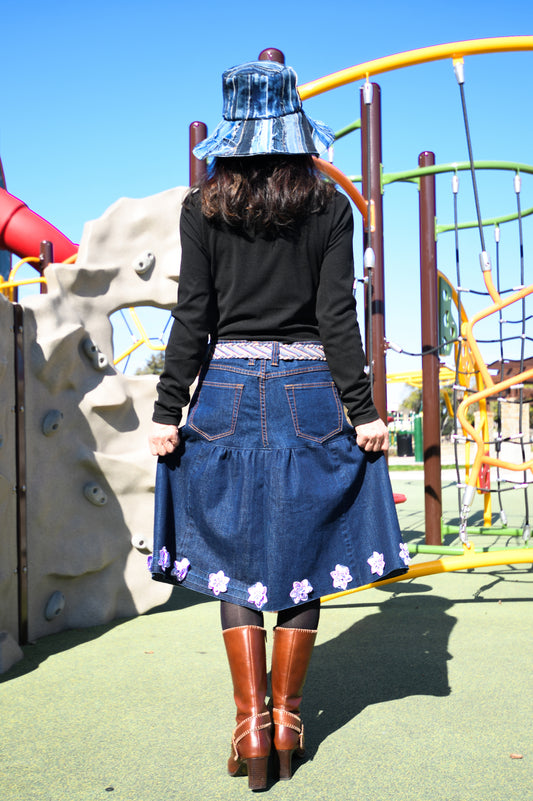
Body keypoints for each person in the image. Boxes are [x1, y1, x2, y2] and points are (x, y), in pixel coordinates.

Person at [149, 59, 410, 791]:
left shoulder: (201, 206)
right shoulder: (329, 205)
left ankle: (249, 724)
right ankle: (288, 718)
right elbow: (336, 320)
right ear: (294, 123)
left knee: (234, 544)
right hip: (308, 387)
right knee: (303, 543)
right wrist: (361, 411)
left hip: (226, 384)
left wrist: (169, 409)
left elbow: (192, 317)